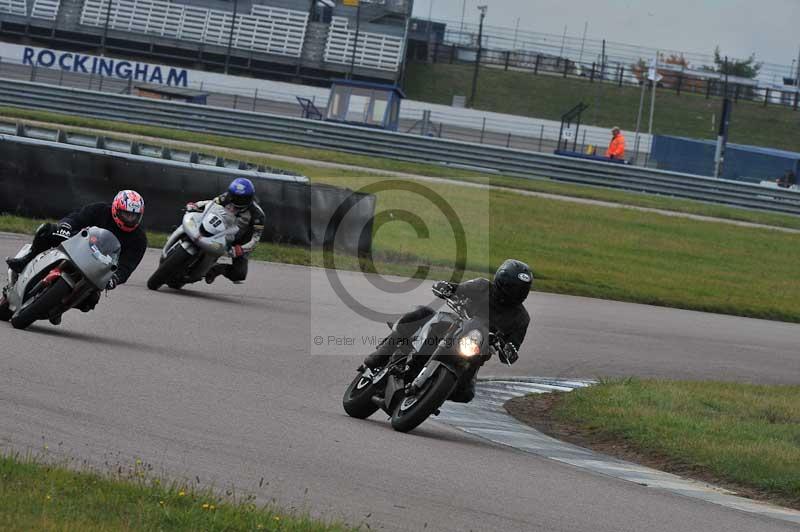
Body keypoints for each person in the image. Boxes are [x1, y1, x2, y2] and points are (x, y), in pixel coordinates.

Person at [363, 259, 533, 403]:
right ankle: (380, 355)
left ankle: (430, 394)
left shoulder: (521, 318)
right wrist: (446, 288)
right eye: (512, 287)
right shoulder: (482, 286)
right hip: (453, 328)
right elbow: (457, 288)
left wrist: (510, 350)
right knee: (423, 313)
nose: (515, 293)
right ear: (501, 281)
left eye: (520, 290)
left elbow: (513, 347)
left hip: (473, 354)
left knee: (465, 394)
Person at [5, 190, 147, 324]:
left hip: (100, 266)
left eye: (133, 215)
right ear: (116, 209)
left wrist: (115, 278)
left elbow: (128, 265)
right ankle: (26, 260)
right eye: (126, 214)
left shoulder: (139, 239)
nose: (129, 218)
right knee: (46, 230)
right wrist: (66, 225)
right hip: (78, 243)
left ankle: (58, 307)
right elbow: (77, 218)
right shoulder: (100, 210)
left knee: (90, 301)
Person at [185, 178, 265, 285]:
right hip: (218, 227)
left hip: (240, 241)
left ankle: (217, 269)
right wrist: (197, 205)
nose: (236, 201)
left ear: (250, 198)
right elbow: (210, 203)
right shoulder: (227, 197)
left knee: (239, 274)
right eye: (234, 196)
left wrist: (241, 249)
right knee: (194, 220)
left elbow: (256, 239)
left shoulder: (258, 214)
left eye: (241, 199)